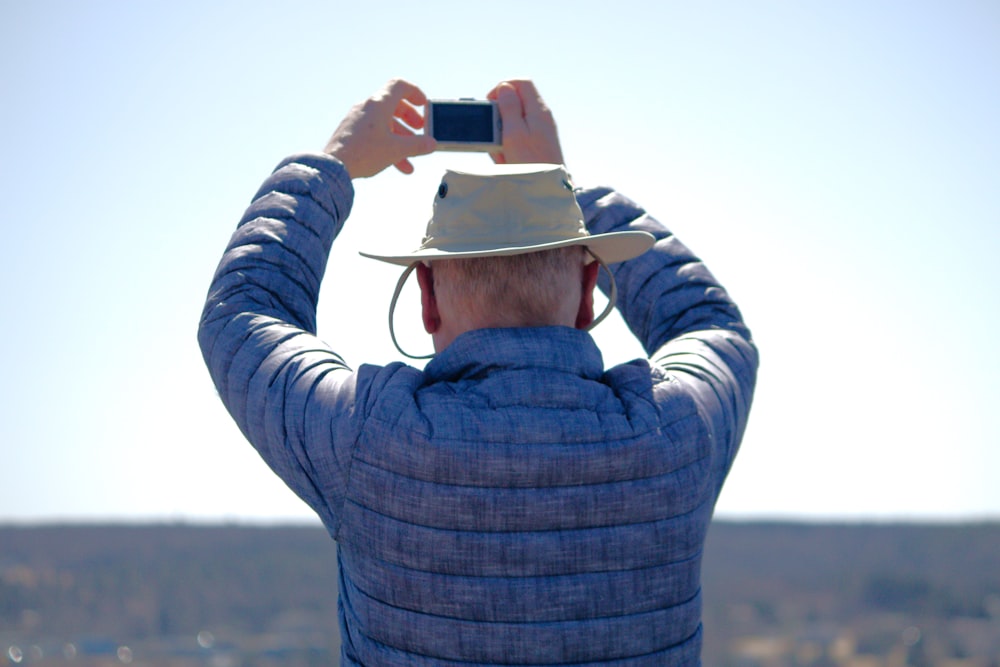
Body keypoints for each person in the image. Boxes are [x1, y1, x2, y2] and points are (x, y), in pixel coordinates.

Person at [198, 78, 758, 666]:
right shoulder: (677, 432)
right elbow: (710, 324)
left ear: (427, 300)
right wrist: (564, 187)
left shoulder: (370, 437)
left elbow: (242, 314)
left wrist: (331, 166)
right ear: (590, 294)